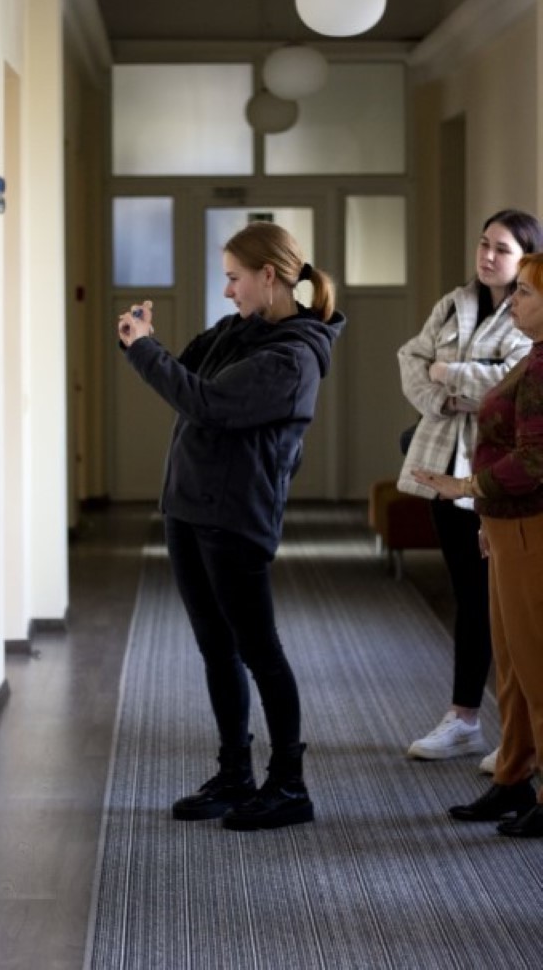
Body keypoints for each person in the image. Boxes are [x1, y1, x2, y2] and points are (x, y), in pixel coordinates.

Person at [117, 222, 345, 831]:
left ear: (268, 276)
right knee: (216, 649)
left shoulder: (293, 356)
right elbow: (186, 375)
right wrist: (143, 341)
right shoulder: (238, 330)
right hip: (189, 507)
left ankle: (289, 785)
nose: (226, 291)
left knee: (259, 651)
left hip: (235, 517)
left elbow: (207, 404)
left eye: (233, 278)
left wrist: (145, 352)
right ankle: (235, 773)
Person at [397, 210, 543, 769]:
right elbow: (411, 359)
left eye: (502, 249)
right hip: (443, 460)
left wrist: (449, 372)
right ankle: (464, 719)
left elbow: (509, 382)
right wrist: (447, 393)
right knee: (470, 594)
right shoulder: (453, 304)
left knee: (507, 609)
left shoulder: (531, 311)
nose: (487, 256)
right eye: (484, 243)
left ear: (525, 258)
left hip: (498, 473)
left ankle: (517, 735)